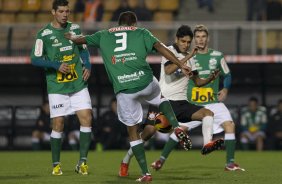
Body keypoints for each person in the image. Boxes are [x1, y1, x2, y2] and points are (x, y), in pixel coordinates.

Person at [65, 11, 193, 182]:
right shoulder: (141, 32)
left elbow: (81, 39)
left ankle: (145, 173)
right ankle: (176, 126)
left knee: (133, 132)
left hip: (124, 89)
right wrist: (180, 63)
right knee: (160, 98)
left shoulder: (103, 35)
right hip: (145, 81)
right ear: (134, 24)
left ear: (119, 24)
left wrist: (72, 37)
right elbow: (161, 48)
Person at [118, 25, 223, 176]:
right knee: (147, 134)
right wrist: (188, 57)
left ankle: (207, 144)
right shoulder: (169, 51)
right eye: (183, 41)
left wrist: (209, 79)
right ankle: (126, 160)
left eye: (188, 42)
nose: (186, 45)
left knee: (208, 113)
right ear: (176, 39)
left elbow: (198, 82)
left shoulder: (192, 59)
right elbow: (168, 70)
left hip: (182, 103)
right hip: (163, 102)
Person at [150, 24, 244, 172]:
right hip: (193, 102)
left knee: (230, 125)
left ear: (208, 38)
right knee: (180, 130)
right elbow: (170, 71)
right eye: (198, 37)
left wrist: (224, 88)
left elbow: (227, 75)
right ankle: (160, 160)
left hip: (213, 101)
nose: (200, 40)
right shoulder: (185, 54)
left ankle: (230, 163)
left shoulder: (217, 56)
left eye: (203, 36)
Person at [30, 0, 93, 176]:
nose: (65, 14)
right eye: (61, 11)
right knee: (58, 123)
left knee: (87, 118)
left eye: (67, 11)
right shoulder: (44, 34)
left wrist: (88, 66)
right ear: (53, 12)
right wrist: (55, 65)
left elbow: (83, 50)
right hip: (57, 86)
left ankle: (82, 163)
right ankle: (56, 165)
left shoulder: (75, 29)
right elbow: (35, 59)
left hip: (78, 83)